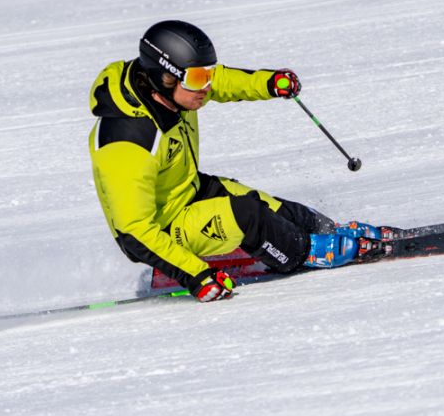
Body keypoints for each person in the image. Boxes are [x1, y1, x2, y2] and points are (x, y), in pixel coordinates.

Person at [88, 20, 379, 303]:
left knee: (270, 207)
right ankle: (309, 252)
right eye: (199, 79)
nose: (207, 87)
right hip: (161, 229)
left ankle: (328, 231)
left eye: (208, 75)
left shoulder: (177, 91)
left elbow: (223, 81)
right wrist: (197, 276)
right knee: (248, 215)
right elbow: (133, 231)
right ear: (164, 77)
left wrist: (268, 83)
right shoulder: (127, 141)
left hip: (186, 190)